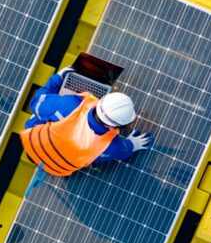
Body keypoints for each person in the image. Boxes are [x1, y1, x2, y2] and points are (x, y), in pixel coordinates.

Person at [20, 68, 153, 177]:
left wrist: (59, 77)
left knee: (49, 111)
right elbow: (123, 152)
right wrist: (132, 145)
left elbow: (36, 103)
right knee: (91, 156)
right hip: (57, 169)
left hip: (31, 143)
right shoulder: (110, 145)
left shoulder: (69, 105)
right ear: (114, 127)